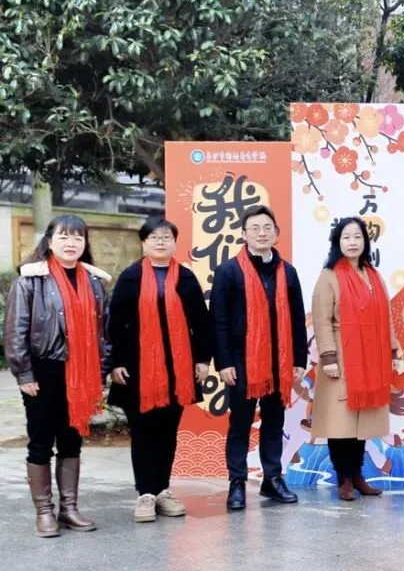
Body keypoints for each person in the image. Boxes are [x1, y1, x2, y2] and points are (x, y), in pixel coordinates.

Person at [4, 215, 110, 537]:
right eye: (63, 237)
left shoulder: (94, 282)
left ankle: (69, 508)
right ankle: (44, 512)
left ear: (85, 243)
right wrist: (24, 373)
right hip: (43, 371)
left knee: (71, 440)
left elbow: (103, 332)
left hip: (82, 373)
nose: (71, 243)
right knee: (40, 441)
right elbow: (15, 331)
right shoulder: (30, 280)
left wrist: (101, 370)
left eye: (78, 237)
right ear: (49, 242)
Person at [106, 218, 213, 522]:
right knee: (143, 433)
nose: (161, 241)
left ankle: (163, 491)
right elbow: (116, 324)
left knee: (167, 432)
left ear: (175, 242)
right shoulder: (130, 277)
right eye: (154, 237)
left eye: (166, 236)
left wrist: (203, 359)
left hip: (178, 370)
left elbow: (201, 323)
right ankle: (145, 494)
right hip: (137, 369)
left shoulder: (186, 278)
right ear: (143, 243)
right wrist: (116, 362)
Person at [210, 205, 308, 510]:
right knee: (240, 424)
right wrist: (224, 362)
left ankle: (273, 479)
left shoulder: (287, 272)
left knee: (274, 423)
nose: (262, 233)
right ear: (244, 234)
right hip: (241, 362)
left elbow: (297, 319)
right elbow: (218, 321)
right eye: (255, 228)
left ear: (276, 233)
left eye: (267, 228)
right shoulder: (229, 271)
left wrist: (299, 360)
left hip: (279, 361)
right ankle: (237, 483)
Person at [311, 217, 402, 500]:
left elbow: (386, 316)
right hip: (341, 357)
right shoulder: (329, 276)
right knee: (341, 424)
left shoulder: (373, 275)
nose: (352, 242)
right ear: (337, 242)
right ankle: (344, 479)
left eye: (357, 237)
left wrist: (393, 351)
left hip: (371, 358)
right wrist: (328, 357)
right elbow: (322, 320)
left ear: (365, 241)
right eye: (346, 237)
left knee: (362, 423)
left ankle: (358, 475)